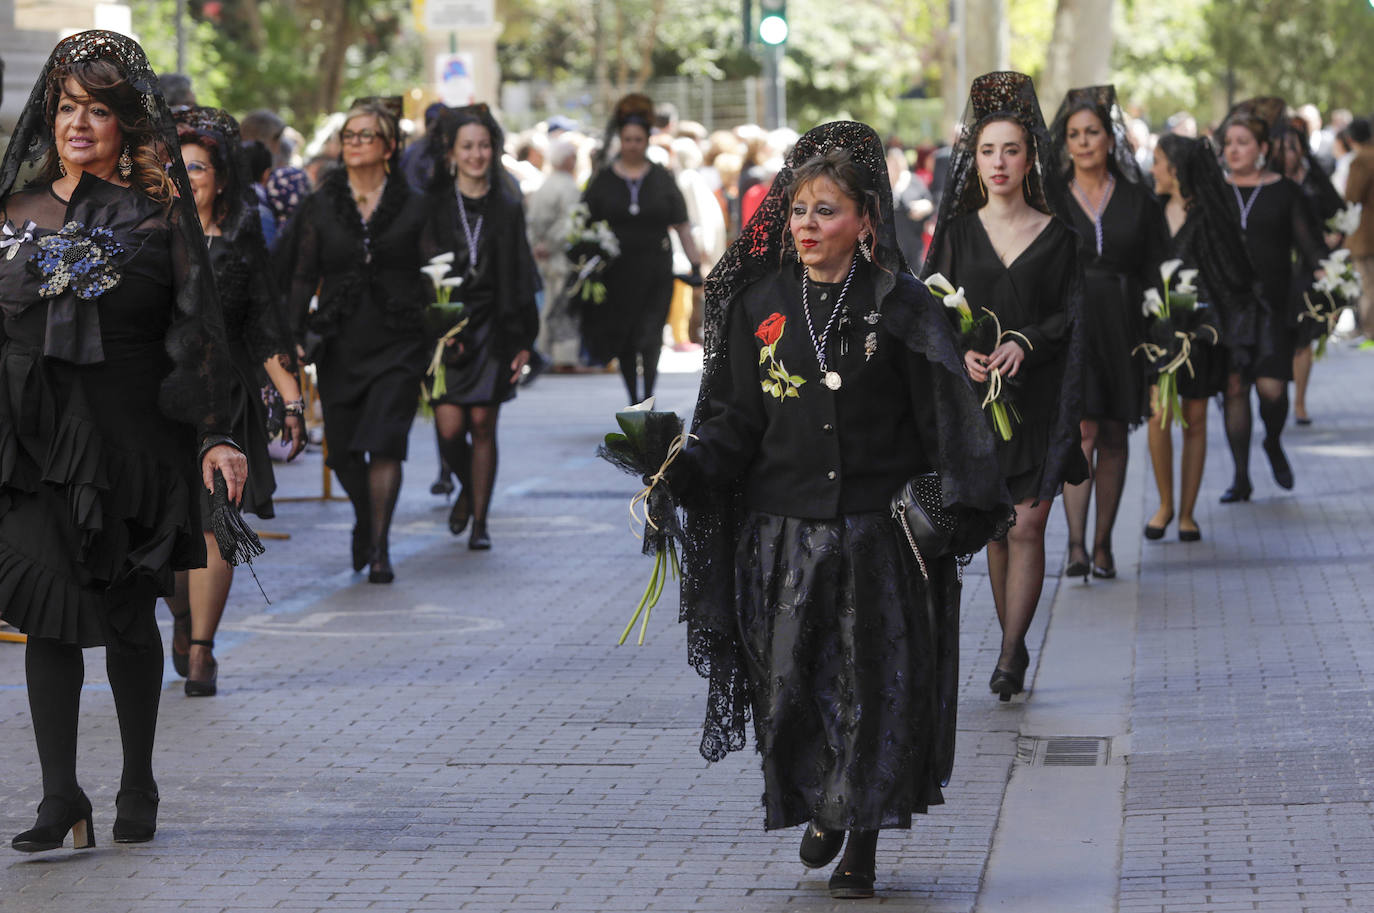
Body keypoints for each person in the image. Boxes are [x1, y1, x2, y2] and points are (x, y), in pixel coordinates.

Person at [665, 121, 1012, 900]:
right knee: (793, 691)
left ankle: (860, 840)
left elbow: (946, 422)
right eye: (797, 211)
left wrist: (956, 505)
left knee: (873, 690)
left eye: (826, 211)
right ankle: (823, 798)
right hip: (780, 536)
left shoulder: (902, 306)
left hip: (877, 539)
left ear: (864, 220)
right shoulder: (759, 304)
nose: (808, 226)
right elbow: (731, 424)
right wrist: (680, 467)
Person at [0, 30, 246, 851]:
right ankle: (59, 793)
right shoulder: (13, 210)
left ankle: (137, 779)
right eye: (67, 107)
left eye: (97, 110)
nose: (77, 123)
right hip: (34, 444)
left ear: (126, 125)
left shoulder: (158, 218)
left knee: (129, 617)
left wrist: (216, 433)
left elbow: (198, 331)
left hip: (132, 443)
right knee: (48, 617)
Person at [923, 71, 1087, 700]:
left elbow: (1071, 316)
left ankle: (1014, 650)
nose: (998, 162)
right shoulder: (958, 235)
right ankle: (1008, 640)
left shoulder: (1061, 237)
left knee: (1027, 526)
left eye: (1010, 150)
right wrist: (961, 349)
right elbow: (930, 310)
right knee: (996, 528)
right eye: (987, 150)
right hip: (977, 406)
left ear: (1030, 159)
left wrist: (1027, 341)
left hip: (1039, 402)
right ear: (974, 157)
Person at [164, 106, 307, 696]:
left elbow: (267, 329)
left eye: (197, 166)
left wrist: (294, 404)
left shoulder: (244, 242)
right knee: (169, 528)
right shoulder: (146, 235)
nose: (187, 175)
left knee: (216, 524)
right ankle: (181, 615)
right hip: (160, 402)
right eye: (178, 165)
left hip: (228, 404)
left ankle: (203, 650)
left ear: (220, 177)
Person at [279, 98, 430, 582]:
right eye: (349, 135)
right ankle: (366, 517)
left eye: (366, 136)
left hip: (401, 338)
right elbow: (303, 275)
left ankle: (381, 547)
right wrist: (293, 332)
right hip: (341, 340)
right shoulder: (321, 203)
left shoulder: (416, 203)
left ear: (388, 147)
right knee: (341, 451)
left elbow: (437, 270)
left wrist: (445, 319)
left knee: (386, 442)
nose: (355, 143)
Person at [1049, 85, 1168, 579]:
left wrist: (1162, 341)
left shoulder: (1139, 199)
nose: (1082, 142)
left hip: (1124, 326)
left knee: (1115, 432)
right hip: (1072, 327)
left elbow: (1158, 271)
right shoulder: (1050, 197)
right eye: (1074, 134)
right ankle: (1075, 545)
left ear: (1109, 138)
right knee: (1083, 431)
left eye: (1091, 132)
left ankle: (1103, 545)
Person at [424, 104, 538, 551]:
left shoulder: (508, 205)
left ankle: (480, 522)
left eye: (484, 146)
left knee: (483, 423)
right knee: (450, 427)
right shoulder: (432, 203)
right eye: (467, 146)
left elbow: (523, 271)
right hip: (445, 328)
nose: (476, 155)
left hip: (495, 324)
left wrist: (525, 340)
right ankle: (468, 490)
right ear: (451, 152)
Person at [1145, 135, 1257, 542]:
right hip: (1156, 332)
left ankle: (1188, 513)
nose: (1152, 169)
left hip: (1201, 335)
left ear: (1175, 168)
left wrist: (1205, 320)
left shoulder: (1210, 215)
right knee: (1159, 415)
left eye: (1158, 162)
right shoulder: (1151, 211)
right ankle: (1165, 504)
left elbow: (1231, 273)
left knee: (1194, 418)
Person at [1215, 99, 1325, 501]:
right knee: (1235, 388)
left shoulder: (1285, 191)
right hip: (1228, 306)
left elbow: (1308, 245)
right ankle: (1241, 476)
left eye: (1243, 142)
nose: (1234, 150)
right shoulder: (1215, 194)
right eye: (1229, 143)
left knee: (1273, 390)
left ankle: (1273, 440)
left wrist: (1325, 272)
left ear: (1262, 148)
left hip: (1273, 306)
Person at [581, 93, 703, 403]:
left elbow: (682, 223)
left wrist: (695, 264)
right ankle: (632, 397)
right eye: (628, 139)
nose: (633, 145)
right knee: (625, 337)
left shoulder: (662, 178)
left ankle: (648, 395)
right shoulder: (604, 180)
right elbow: (583, 222)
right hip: (616, 272)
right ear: (620, 140)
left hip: (655, 269)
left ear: (647, 140)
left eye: (638, 139)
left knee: (649, 336)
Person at [1282, 115, 1346, 425]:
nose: (1287, 154)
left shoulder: (1314, 180)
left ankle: (1300, 403)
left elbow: (1340, 214)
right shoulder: (1268, 182)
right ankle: (1278, 397)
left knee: (1303, 337)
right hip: (1278, 268)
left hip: (1309, 267)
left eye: (1292, 148)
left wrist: (1332, 237)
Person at [527, 137, 583, 368]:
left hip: (544, 256)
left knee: (548, 306)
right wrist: (549, 245)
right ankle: (563, 357)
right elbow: (570, 224)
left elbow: (532, 221)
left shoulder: (545, 185)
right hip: (559, 257)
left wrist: (537, 245)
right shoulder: (568, 187)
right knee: (560, 307)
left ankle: (543, 350)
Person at [1345, 119, 1374, 339]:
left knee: (1368, 285)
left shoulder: (1362, 160)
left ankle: (1369, 331)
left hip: (1366, 232)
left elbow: (1352, 195)